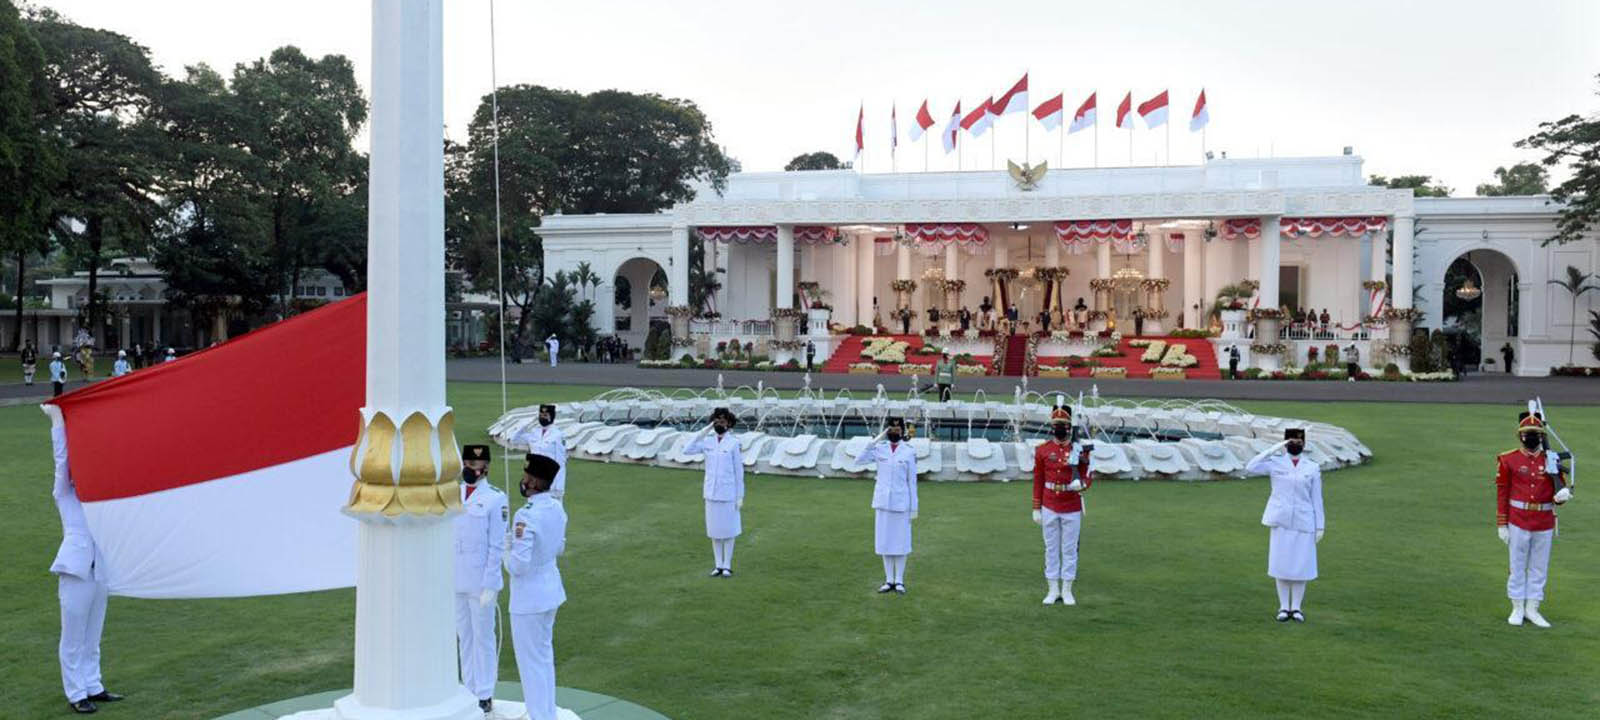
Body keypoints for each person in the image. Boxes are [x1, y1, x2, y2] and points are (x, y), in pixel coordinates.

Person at [44, 405, 124, 714]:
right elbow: (61, 463)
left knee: (93, 635)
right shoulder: (65, 496)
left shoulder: (101, 499)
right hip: (76, 572)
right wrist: (57, 424)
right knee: (73, 637)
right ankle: (76, 693)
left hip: (101, 571)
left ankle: (94, 685)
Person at [506, 453, 569, 720]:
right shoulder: (556, 508)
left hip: (529, 598)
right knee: (543, 659)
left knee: (530, 664)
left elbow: (518, 566)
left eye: (526, 476)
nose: (523, 480)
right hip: (550, 590)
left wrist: (506, 549)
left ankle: (540, 716)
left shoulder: (526, 515)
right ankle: (546, 714)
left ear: (533, 481)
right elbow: (559, 547)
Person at [1496, 413, 1572, 628]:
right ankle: (1517, 607)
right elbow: (1503, 492)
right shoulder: (1508, 459)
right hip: (1518, 520)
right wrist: (1502, 523)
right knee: (1517, 565)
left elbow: (1558, 491)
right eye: (1527, 434)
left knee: (1539, 567)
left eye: (1536, 434)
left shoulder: (1552, 460)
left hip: (1544, 521)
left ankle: (1532, 608)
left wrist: (1561, 497)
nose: (1531, 437)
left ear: (1541, 437)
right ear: (1520, 436)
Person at [1246, 428, 1324, 623]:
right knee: (1281, 565)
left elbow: (1317, 499)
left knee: (1301, 566)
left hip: (1304, 521)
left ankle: (1296, 608)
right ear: (1285, 443)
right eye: (1291, 441)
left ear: (1304, 444)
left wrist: (1320, 526)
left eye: (1299, 442)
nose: (1295, 445)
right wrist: (1275, 448)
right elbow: (1250, 466)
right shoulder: (1275, 462)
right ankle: (1283, 607)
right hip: (1280, 520)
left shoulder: (1312, 467)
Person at [453, 444, 507, 714]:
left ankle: (484, 693)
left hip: (480, 580)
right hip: (455, 576)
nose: (469, 469)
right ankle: (468, 688)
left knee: (483, 637)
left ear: (485, 468)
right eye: (466, 464)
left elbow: (497, 545)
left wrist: (491, 583)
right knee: (464, 636)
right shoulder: (453, 493)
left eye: (474, 465)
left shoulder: (496, 498)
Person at [1032, 405, 1093, 605]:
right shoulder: (1043, 450)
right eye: (1056, 424)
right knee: (1050, 548)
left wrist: (1082, 484)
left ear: (1069, 427)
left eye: (1063, 425)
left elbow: (1088, 473)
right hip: (1049, 503)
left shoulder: (1079, 449)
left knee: (1069, 549)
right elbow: (1038, 479)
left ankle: (1067, 590)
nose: (1059, 428)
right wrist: (1036, 507)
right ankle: (1053, 589)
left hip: (1071, 504)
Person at [853, 417, 918, 594]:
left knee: (901, 543)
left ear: (902, 431)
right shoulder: (879, 448)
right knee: (885, 542)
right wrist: (877, 438)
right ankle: (889, 580)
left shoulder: (909, 452)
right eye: (891, 429)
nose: (894, 432)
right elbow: (858, 460)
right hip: (883, 503)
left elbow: (912, 482)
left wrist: (914, 508)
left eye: (897, 429)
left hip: (901, 503)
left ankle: (899, 581)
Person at [681, 408, 745, 577]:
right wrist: (705, 429)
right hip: (711, 493)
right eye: (716, 421)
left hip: (728, 493)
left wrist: (740, 496)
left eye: (722, 421)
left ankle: (727, 565)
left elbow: (739, 473)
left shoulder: (733, 443)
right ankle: (718, 565)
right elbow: (686, 449)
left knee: (729, 530)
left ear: (729, 423)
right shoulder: (708, 442)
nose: (719, 424)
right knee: (715, 531)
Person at [511, 404, 568, 501]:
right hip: (534, 480)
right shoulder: (534, 432)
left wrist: (558, 486)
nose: (542, 417)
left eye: (545, 415)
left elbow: (561, 461)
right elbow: (514, 439)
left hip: (550, 482)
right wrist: (526, 423)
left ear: (552, 416)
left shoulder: (558, 435)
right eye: (540, 415)